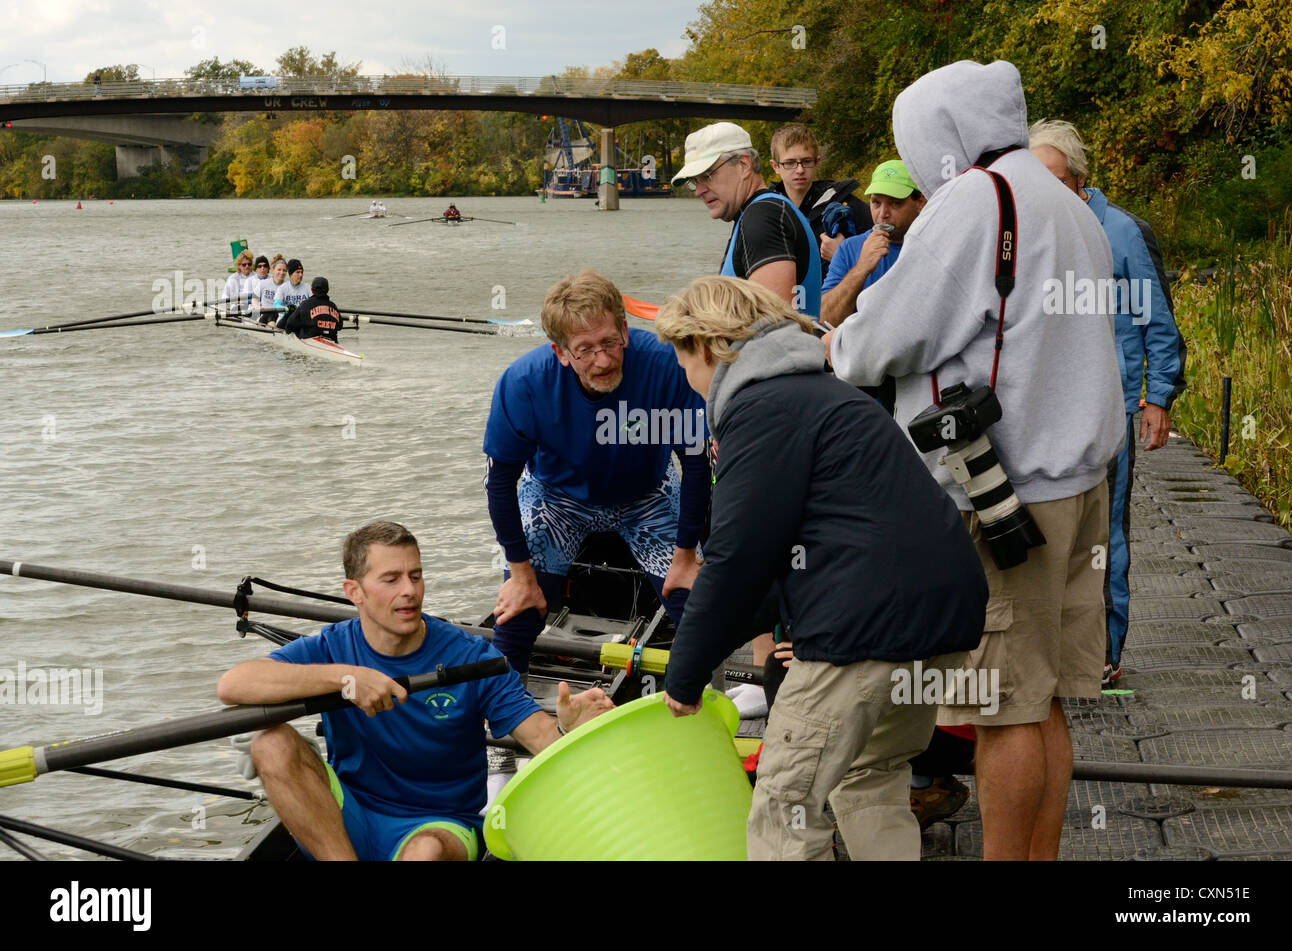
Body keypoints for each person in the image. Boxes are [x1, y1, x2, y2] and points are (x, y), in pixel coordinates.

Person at [826, 60, 1126, 861]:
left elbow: (891, 335)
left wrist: (835, 344)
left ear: (942, 133)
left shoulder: (973, 201)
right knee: (1046, 699)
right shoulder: (1068, 205)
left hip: (1005, 496)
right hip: (1081, 484)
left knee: (1001, 710)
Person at [656, 276, 987, 861]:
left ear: (705, 347)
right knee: (872, 775)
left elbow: (739, 557)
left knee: (785, 803)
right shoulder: (831, 393)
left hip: (864, 625)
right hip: (947, 611)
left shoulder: (759, 408)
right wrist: (709, 647)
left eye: (683, 359)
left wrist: (683, 675)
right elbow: (779, 564)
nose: (687, 379)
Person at [216, 521, 613, 861]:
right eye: (391, 579)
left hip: (439, 824)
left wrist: (567, 730)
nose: (409, 591)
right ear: (354, 591)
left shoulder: (471, 656)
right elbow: (234, 684)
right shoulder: (332, 647)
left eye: (416, 575)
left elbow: (540, 737)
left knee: (425, 854)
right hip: (349, 815)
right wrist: (345, 678)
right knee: (269, 742)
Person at [483, 269, 710, 680]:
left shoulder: (665, 364)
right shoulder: (524, 384)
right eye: (585, 350)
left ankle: (696, 701)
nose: (603, 360)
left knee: (694, 605)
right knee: (518, 611)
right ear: (560, 352)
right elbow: (499, 483)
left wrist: (686, 556)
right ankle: (505, 721)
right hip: (558, 496)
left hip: (647, 494)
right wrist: (519, 574)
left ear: (625, 329)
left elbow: (695, 462)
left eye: (609, 342)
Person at [1029, 119, 1188, 687]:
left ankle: (1104, 652)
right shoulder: (1035, 227)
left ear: (1079, 176)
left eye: (1053, 177)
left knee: (1106, 534)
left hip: (1112, 408)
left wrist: (1158, 396)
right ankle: (1056, 643)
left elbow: (1158, 323)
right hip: (1049, 407)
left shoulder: (1121, 232)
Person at [671, 121, 821, 319]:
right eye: (695, 181)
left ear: (743, 165)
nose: (699, 190)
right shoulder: (765, 211)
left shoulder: (763, 218)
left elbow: (774, 328)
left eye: (707, 176)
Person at [820, 160, 927, 330]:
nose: (882, 214)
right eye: (876, 202)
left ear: (920, 202)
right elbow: (825, 319)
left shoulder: (933, 246)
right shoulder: (850, 248)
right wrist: (862, 268)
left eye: (895, 203)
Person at [765, 123, 871, 276]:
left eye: (806, 161)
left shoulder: (845, 207)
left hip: (830, 297)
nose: (800, 170)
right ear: (775, 166)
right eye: (790, 163)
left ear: (817, 162)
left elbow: (883, 256)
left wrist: (843, 253)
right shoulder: (765, 211)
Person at [284, 276, 343, 341]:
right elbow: (340, 326)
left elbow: (290, 323)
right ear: (327, 290)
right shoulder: (333, 306)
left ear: (312, 290)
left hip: (310, 341)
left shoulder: (305, 304)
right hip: (331, 340)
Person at [274, 258, 312, 325]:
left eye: (302, 272)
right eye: (297, 272)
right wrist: (287, 309)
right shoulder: (282, 288)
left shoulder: (307, 287)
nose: (301, 275)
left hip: (301, 320)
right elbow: (276, 305)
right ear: (291, 274)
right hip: (285, 321)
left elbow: (314, 304)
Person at [253, 255, 287, 324]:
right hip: (265, 315)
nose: (282, 273)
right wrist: (257, 306)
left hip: (282, 318)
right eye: (279, 270)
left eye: (284, 270)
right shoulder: (263, 283)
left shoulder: (288, 286)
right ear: (273, 270)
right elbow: (254, 298)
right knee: (273, 313)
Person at [223, 250, 256, 315]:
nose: (247, 266)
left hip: (252, 306)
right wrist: (231, 302)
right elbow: (224, 296)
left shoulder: (256, 277)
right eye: (244, 265)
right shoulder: (232, 278)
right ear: (239, 266)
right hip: (236, 307)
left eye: (249, 264)